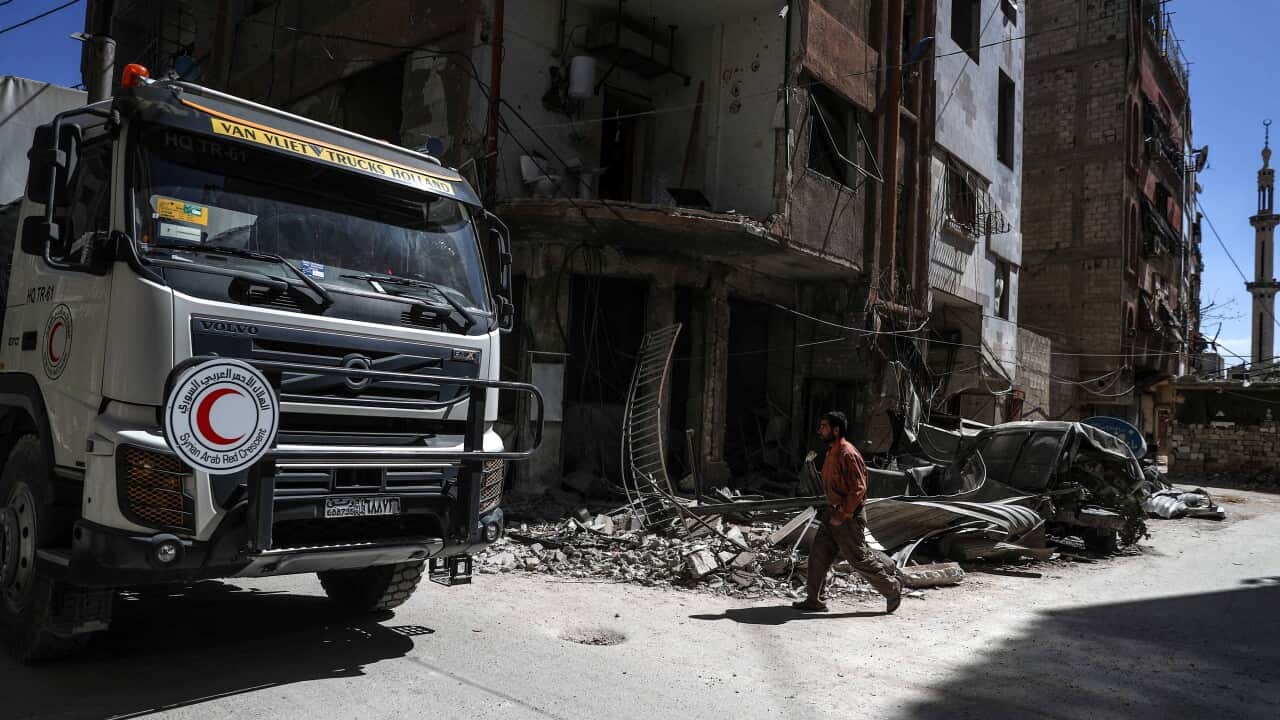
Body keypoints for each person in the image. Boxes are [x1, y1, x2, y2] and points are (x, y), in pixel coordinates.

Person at [793, 411, 903, 614]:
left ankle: (892, 589)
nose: (820, 430)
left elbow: (858, 489)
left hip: (848, 518)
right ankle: (813, 599)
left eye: (824, 426)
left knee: (858, 558)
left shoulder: (847, 453)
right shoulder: (831, 451)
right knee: (818, 554)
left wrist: (842, 514)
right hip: (831, 514)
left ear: (836, 430)